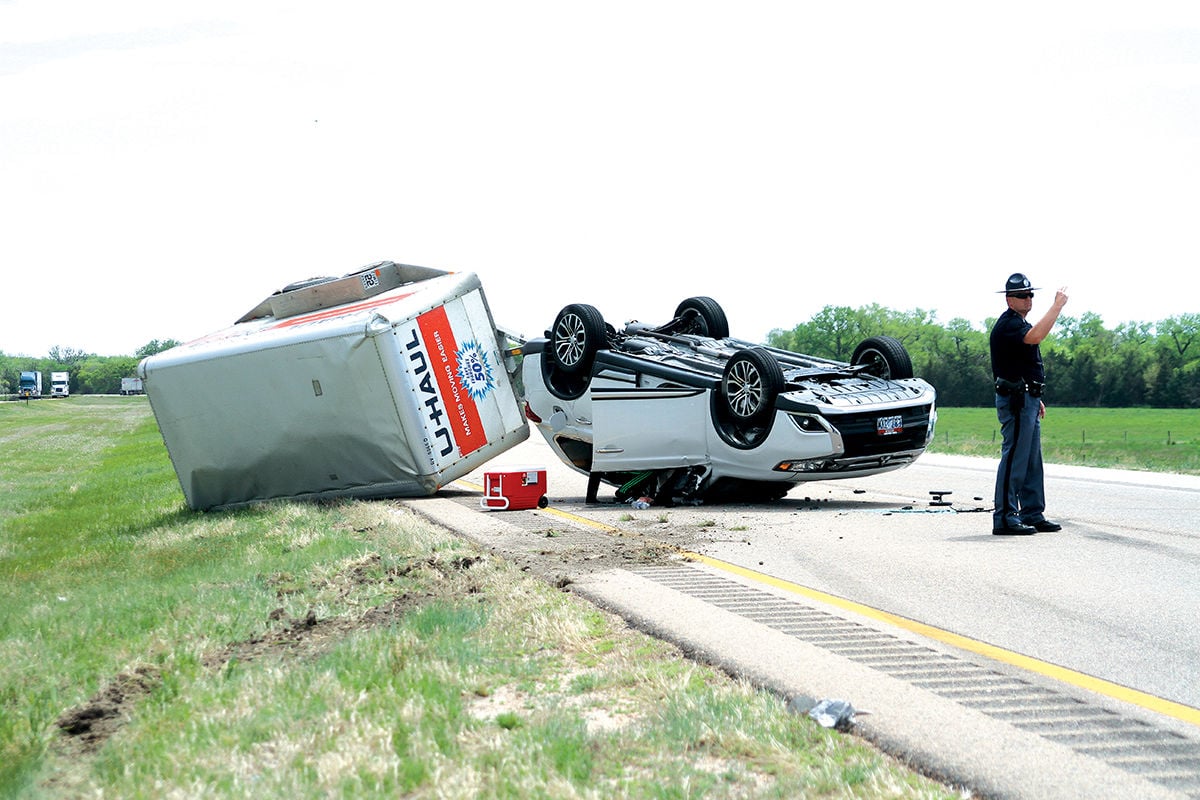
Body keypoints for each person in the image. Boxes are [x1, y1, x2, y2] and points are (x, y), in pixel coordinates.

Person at [989, 274, 1069, 535]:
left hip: (1028, 398)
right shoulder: (1009, 324)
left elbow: (1021, 363)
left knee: (1032, 459)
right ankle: (1004, 517)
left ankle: (1032, 513)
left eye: (1031, 294)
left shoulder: (1020, 323)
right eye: (1023, 295)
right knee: (1015, 457)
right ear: (1009, 299)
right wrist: (1056, 307)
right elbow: (1035, 338)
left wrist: (1036, 396)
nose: (1028, 299)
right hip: (1016, 399)